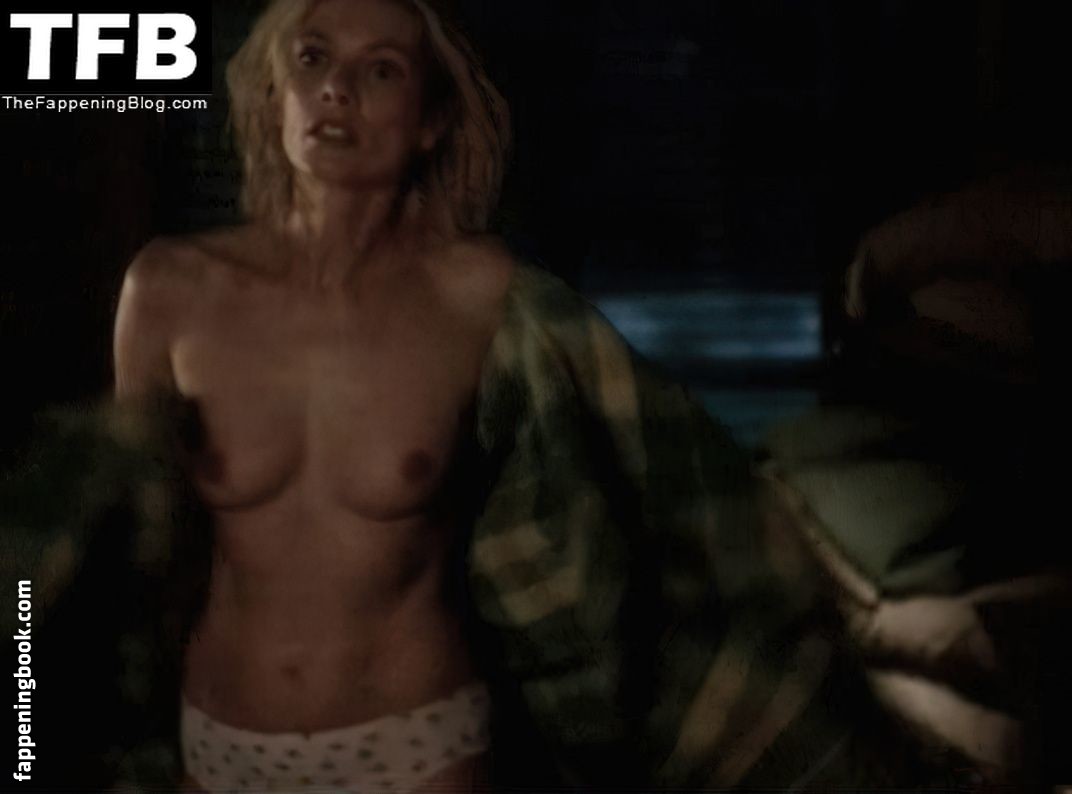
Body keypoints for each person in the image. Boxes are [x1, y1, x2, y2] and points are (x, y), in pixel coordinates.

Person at [5, 0, 922, 791]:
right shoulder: (169, 288)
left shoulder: (481, 298)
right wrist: (47, 735)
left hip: (420, 742)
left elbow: (669, 477)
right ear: (274, 88)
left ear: (431, 119)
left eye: (381, 69)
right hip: (222, 738)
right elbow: (129, 555)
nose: (336, 90)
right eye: (313, 58)